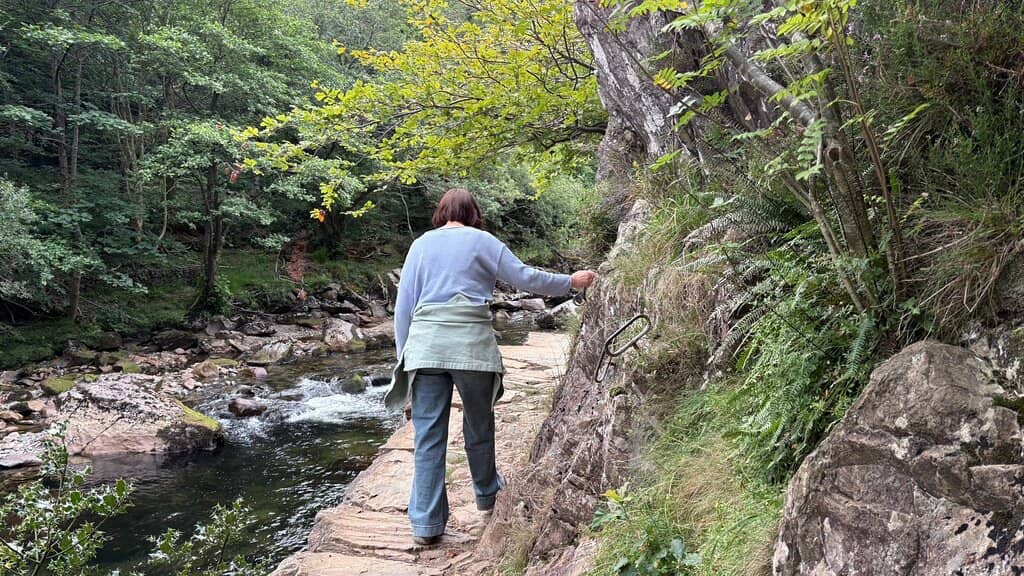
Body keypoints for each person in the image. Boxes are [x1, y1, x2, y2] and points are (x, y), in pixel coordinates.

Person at [383, 187, 597, 546]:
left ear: (441, 213)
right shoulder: (484, 242)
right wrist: (570, 282)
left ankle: (426, 525)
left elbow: (403, 308)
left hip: (425, 348)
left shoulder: (420, 245)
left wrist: (404, 358)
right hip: (471, 347)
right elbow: (525, 277)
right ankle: (487, 496)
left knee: (428, 438)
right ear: (473, 213)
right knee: (478, 426)